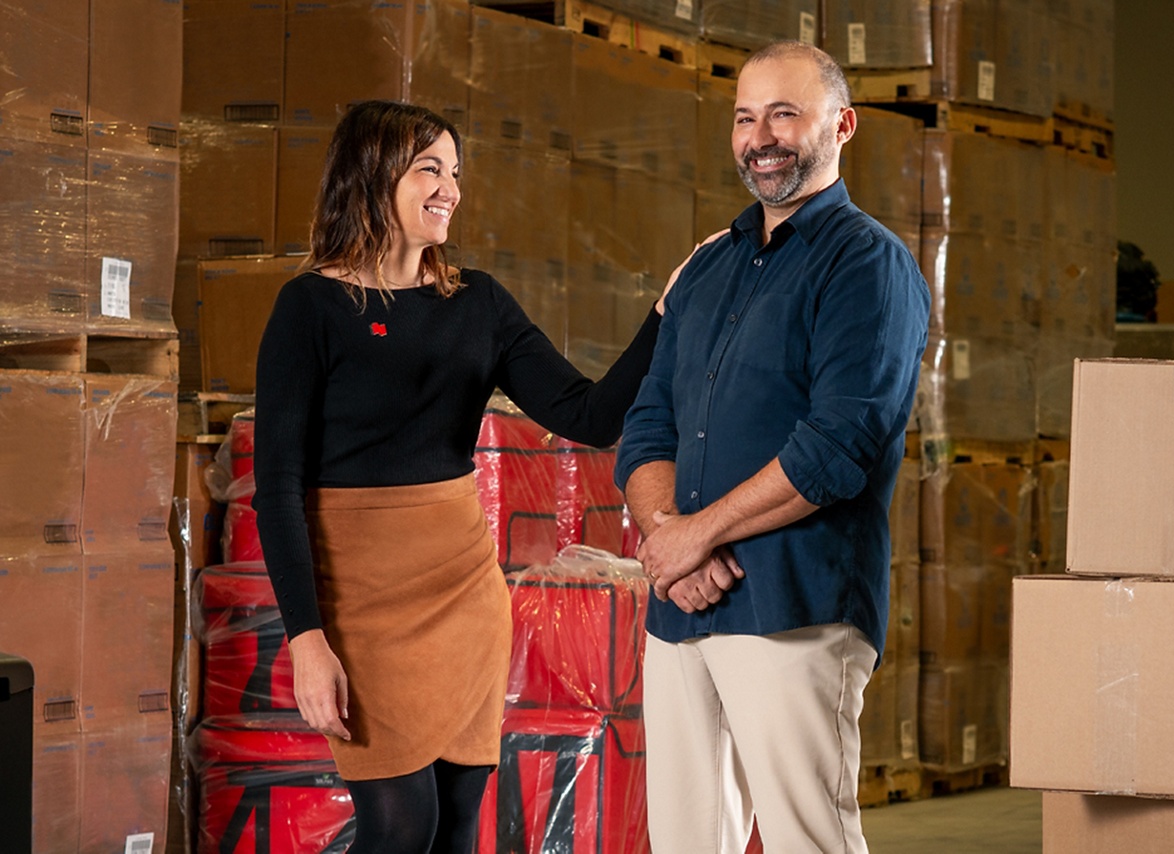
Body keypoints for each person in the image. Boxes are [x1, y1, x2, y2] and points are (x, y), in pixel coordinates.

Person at [251, 100, 697, 854]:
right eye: (430, 169)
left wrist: (665, 314)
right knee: (401, 828)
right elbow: (278, 486)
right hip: (359, 600)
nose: (450, 189)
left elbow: (587, 415)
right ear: (373, 174)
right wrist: (306, 640)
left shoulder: (477, 302)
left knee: (455, 828)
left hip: (462, 591)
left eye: (455, 173)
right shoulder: (310, 308)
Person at [615, 41, 931, 853]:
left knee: (807, 839)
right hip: (682, 610)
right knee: (687, 843)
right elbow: (649, 420)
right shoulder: (707, 268)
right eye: (746, 118)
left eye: (785, 114)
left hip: (798, 608)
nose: (762, 137)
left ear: (842, 124)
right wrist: (667, 540)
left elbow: (838, 445)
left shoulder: (869, 265)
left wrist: (697, 534)